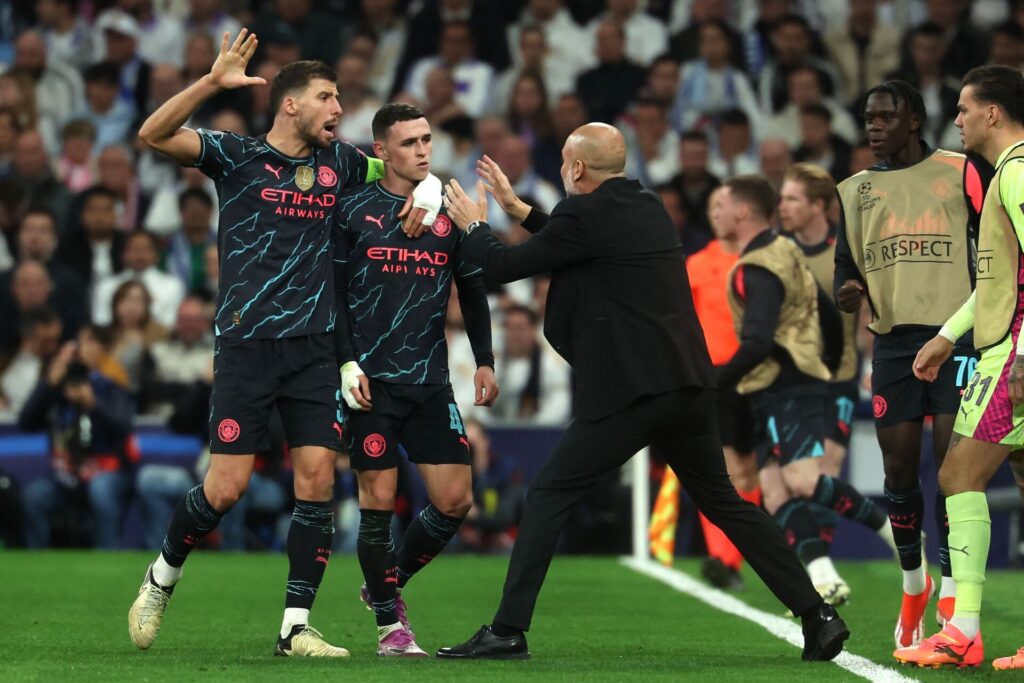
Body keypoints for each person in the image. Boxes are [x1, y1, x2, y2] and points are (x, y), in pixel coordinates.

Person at [436, 124, 849, 662]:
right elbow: (576, 240)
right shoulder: (647, 205)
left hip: (630, 392)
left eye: (565, 161)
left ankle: (509, 629)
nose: (563, 170)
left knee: (548, 494)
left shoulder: (584, 215)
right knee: (726, 504)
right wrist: (520, 210)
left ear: (577, 169)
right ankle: (817, 615)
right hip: (689, 386)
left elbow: (504, 266)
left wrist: (475, 225)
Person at [127, 28, 436, 658]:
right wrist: (212, 84)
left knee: (318, 477)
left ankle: (295, 627)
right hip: (246, 344)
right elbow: (153, 135)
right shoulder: (236, 156)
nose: (338, 109)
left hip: (315, 348)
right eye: (327, 97)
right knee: (225, 489)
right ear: (291, 104)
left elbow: (401, 164)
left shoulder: (344, 163)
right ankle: (161, 577)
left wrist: (430, 191)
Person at [333, 102, 498, 657]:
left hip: (428, 380)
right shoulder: (353, 208)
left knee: (455, 500)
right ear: (381, 150)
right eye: (408, 142)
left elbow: (472, 290)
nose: (423, 149)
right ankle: (391, 628)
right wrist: (345, 361)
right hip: (372, 381)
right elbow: (331, 295)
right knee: (377, 499)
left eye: (427, 138)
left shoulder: (449, 212)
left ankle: (386, 582)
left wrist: (484, 359)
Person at [834, 79, 989, 651]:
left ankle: (953, 599)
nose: (873, 126)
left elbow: (993, 244)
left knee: (955, 475)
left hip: (960, 337)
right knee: (898, 474)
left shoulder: (963, 170)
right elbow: (845, 267)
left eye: (884, 117)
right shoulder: (853, 190)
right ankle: (913, 584)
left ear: (915, 121)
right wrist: (848, 291)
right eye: (867, 118)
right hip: (895, 344)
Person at [714, 175, 895, 608]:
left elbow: (834, 316)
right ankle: (822, 574)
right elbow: (825, 312)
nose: (714, 214)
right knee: (776, 490)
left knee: (806, 478)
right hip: (777, 383)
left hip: (801, 382)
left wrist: (829, 371)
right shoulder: (787, 249)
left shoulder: (770, 260)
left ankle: (898, 533)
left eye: (794, 197)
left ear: (817, 204)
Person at [896, 65, 1024, 670]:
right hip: (1004, 343)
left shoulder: (1019, 173)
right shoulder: (1011, 172)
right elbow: (999, 277)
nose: (958, 120)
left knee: (956, 475)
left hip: (1015, 351)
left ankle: (962, 630)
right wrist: (949, 335)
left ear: (993, 114)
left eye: (966, 109)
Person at [779, 163, 861, 550]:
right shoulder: (779, 252)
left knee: (826, 470)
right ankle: (805, 560)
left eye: (792, 199)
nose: (783, 206)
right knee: (794, 478)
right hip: (792, 381)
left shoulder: (843, 253)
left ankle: (820, 564)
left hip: (838, 380)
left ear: (818, 206)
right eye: (782, 198)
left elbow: (869, 309)